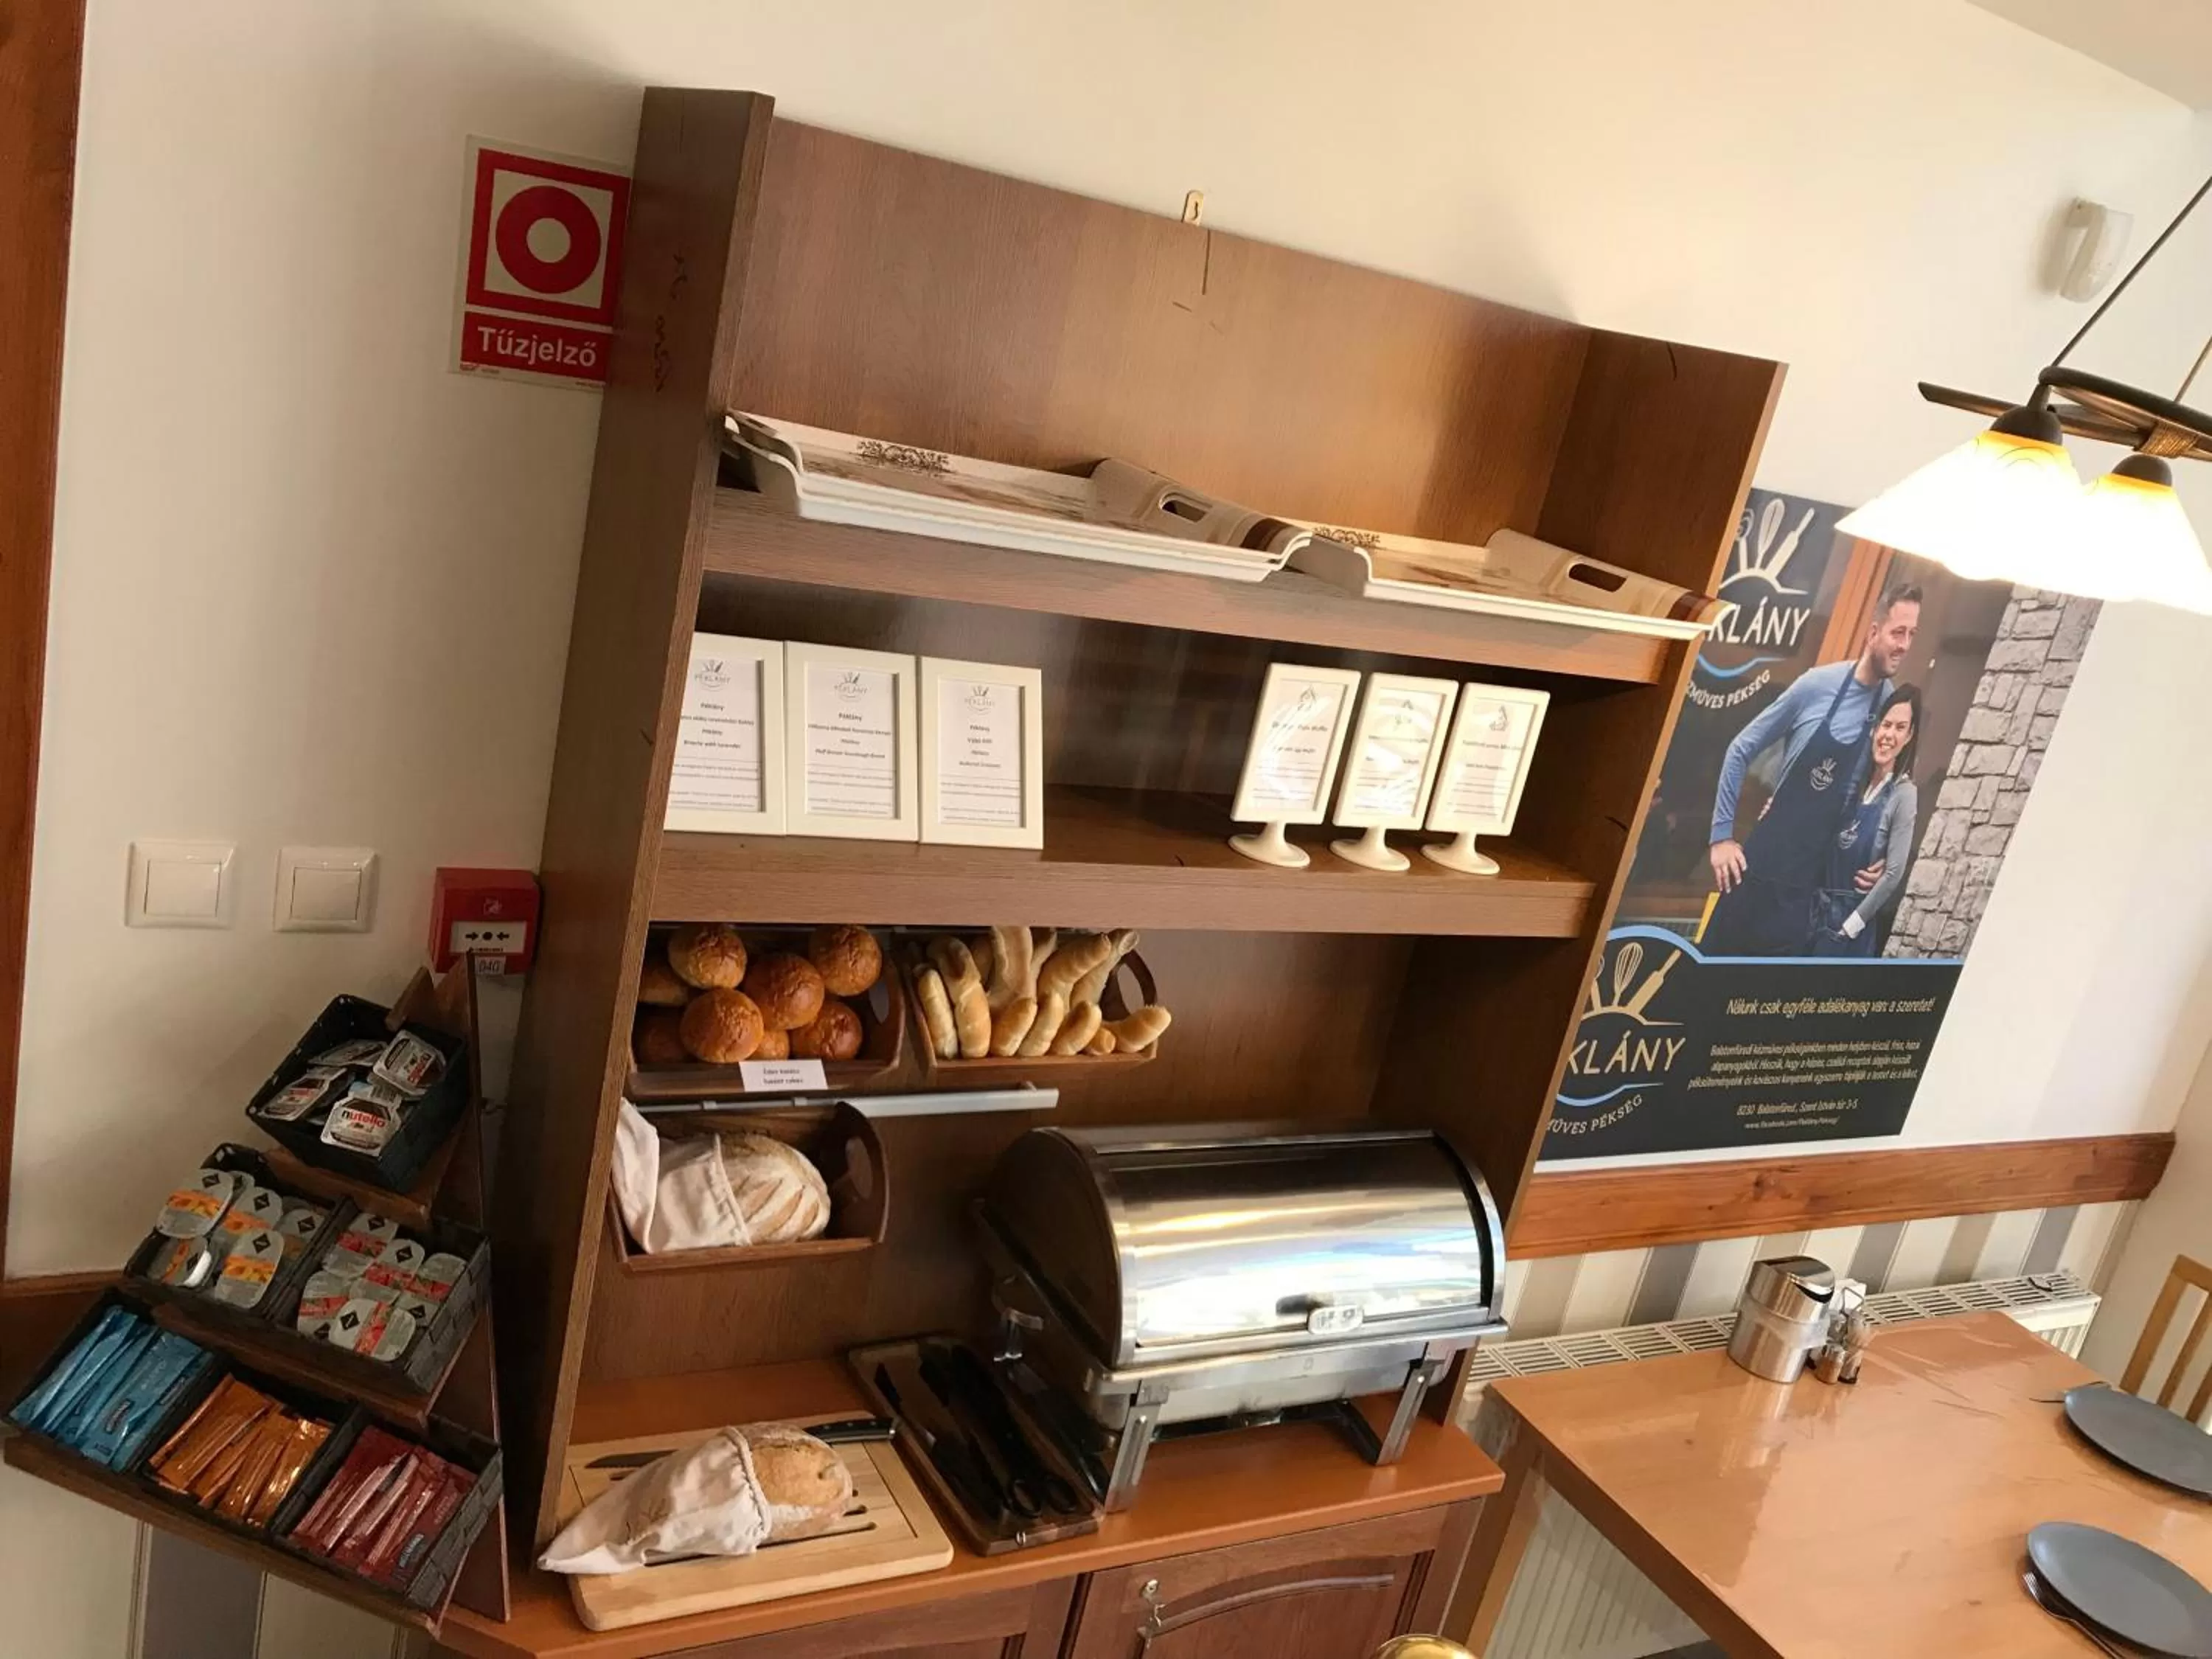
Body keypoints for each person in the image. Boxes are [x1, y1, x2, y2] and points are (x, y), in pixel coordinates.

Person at [1701, 581, 1921, 956]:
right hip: (1757, 870)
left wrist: (1880, 853)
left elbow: (1881, 795)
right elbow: (1740, 749)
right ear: (1873, 633)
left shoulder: (1890, 709)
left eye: (1912, 635)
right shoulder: (1815, 686)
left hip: (1809, 896)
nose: (1905, 645)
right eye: (1898, 632)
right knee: (1706, 979)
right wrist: (1721, 837)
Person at [1810, 685, 1921, 957]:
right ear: (1875, 728)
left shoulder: (1904, 794)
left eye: (1900, 728)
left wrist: (1849, 928)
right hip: (1814, 916)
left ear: (1909, 736)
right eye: (1886, 725)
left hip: (1849, 934)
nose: (1889, 735)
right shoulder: (1852, 783)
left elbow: (1893, 874)